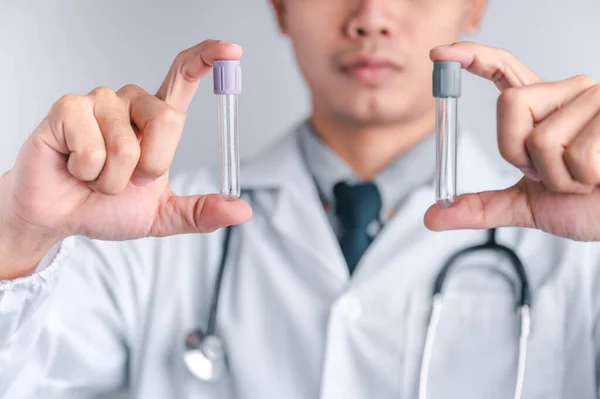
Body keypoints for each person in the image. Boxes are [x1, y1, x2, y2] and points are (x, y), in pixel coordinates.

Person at [1, 0, 600, 397]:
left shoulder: (580, 242)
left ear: (474, 4)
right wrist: (17, 236)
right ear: (280, 7)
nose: (371, 16)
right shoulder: (136, 229)